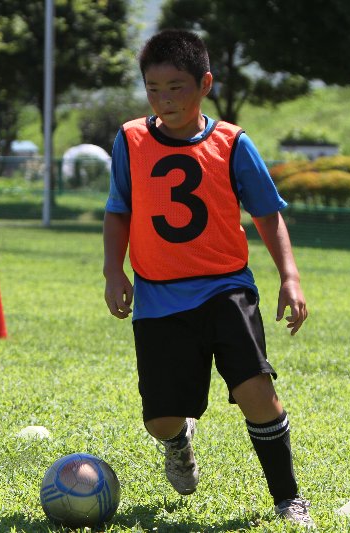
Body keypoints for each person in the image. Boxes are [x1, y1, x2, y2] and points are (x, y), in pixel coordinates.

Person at [102, 30, 314, 528]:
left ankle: (288, 499)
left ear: (205, 84)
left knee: (255, 390)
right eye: (153, 89)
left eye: (176, 87)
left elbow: (267, 215)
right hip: (158, 298)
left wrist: (290, 276)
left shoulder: (232, 143)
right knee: (161, 421)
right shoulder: (130, 139)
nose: (165, 99)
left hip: (226, 288)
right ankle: (178, 441)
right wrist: (114, 270)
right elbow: (118, 211)